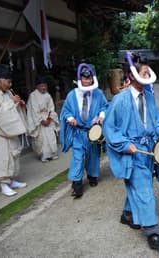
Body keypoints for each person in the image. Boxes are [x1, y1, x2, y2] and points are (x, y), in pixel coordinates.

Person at [103, 59, 159, 250]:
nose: (148, 75)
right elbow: (109, 128)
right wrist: (124, 144)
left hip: (148, 151)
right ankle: (152, 232)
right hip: (132, 152)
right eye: (145, 72)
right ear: (132, 75)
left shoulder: (149, 97)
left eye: (149, 72)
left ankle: (127, 214)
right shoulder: (120, 99)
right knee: (144, 189)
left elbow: (158, 120)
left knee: (143, 183)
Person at [60, 63, 107, 199]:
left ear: (93, 78)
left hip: (93, 132)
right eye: (84, 78)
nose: (87, 81)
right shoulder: (71, 95)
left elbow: (105, 106)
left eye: (89, 78)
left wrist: (101, 115)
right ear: (79, 79)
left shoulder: (98, 93)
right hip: (78, 133)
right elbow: (66, 111)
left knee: (93, 156)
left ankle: (92, 176)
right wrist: (70, 118)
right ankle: (77, 185)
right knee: (77, 158)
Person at [0, 64, 28, 197]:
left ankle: (11, 180)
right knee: (1, 158)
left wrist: (19, 105)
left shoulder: (7, 93)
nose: (10, 84)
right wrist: (12, 103)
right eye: (8, 81)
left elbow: (12, 110)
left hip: (9, 131)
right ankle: (3, 185)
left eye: (10, 81)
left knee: (13, 156)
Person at [26, 75, 60, 162]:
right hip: (39, 120)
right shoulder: (33, 96)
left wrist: (49, 118)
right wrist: (41, 120)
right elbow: (34, 110)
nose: (43, 87)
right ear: (37, 86)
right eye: (41, 86)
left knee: (50, 136)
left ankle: (52, 154)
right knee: (42, 138)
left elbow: (51, 107)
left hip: (48, 118)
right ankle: (44, 155)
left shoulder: (48, 95)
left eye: (45, 85)